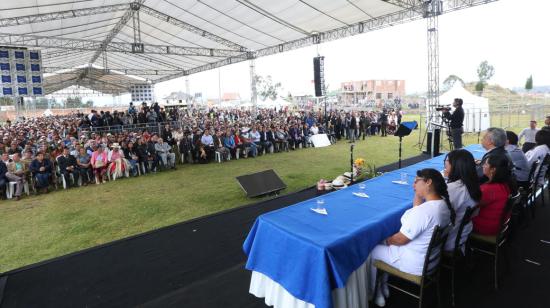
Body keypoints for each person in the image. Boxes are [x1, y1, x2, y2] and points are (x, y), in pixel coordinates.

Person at [369, 169, 454, 307]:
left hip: (413, 264)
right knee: (386, 245)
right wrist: (418, 192)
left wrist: (385, 240)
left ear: (428, 182)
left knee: (372, 250)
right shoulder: (443, 204)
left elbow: (401, 239)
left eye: (416, 181)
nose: (413, 185)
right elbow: (417, 210)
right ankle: (384, 284)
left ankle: (375, 291)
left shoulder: (424, 212)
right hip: (431, 261)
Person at [442, 149, 481, 252]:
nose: (445, 163)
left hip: (447, 240)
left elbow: (437, 218)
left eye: (447, 161)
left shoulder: (453, 189)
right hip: (462, 235)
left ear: (456, 166)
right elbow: (475, 213)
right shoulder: (473, 184)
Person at [472, 154, 516, 235]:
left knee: (459, 222)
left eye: (485, 164)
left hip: (488, 227)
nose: (483, 166)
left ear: (493, 169)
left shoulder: (488, 189)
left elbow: (472, 206)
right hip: (498, 224)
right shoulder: (504, 184)